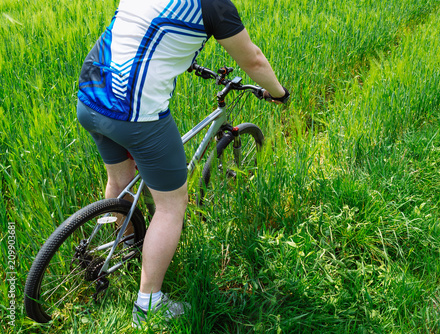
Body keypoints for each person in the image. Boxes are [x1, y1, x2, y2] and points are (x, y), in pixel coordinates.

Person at [76, 0, 289, 327]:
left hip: (91, 96)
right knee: (172, 205)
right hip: (135, 113)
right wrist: (279, 92)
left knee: (120, 182)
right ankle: (149, 305)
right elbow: (253, 59)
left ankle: (126, 247)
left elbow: (143, 32)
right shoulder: (215, 6)